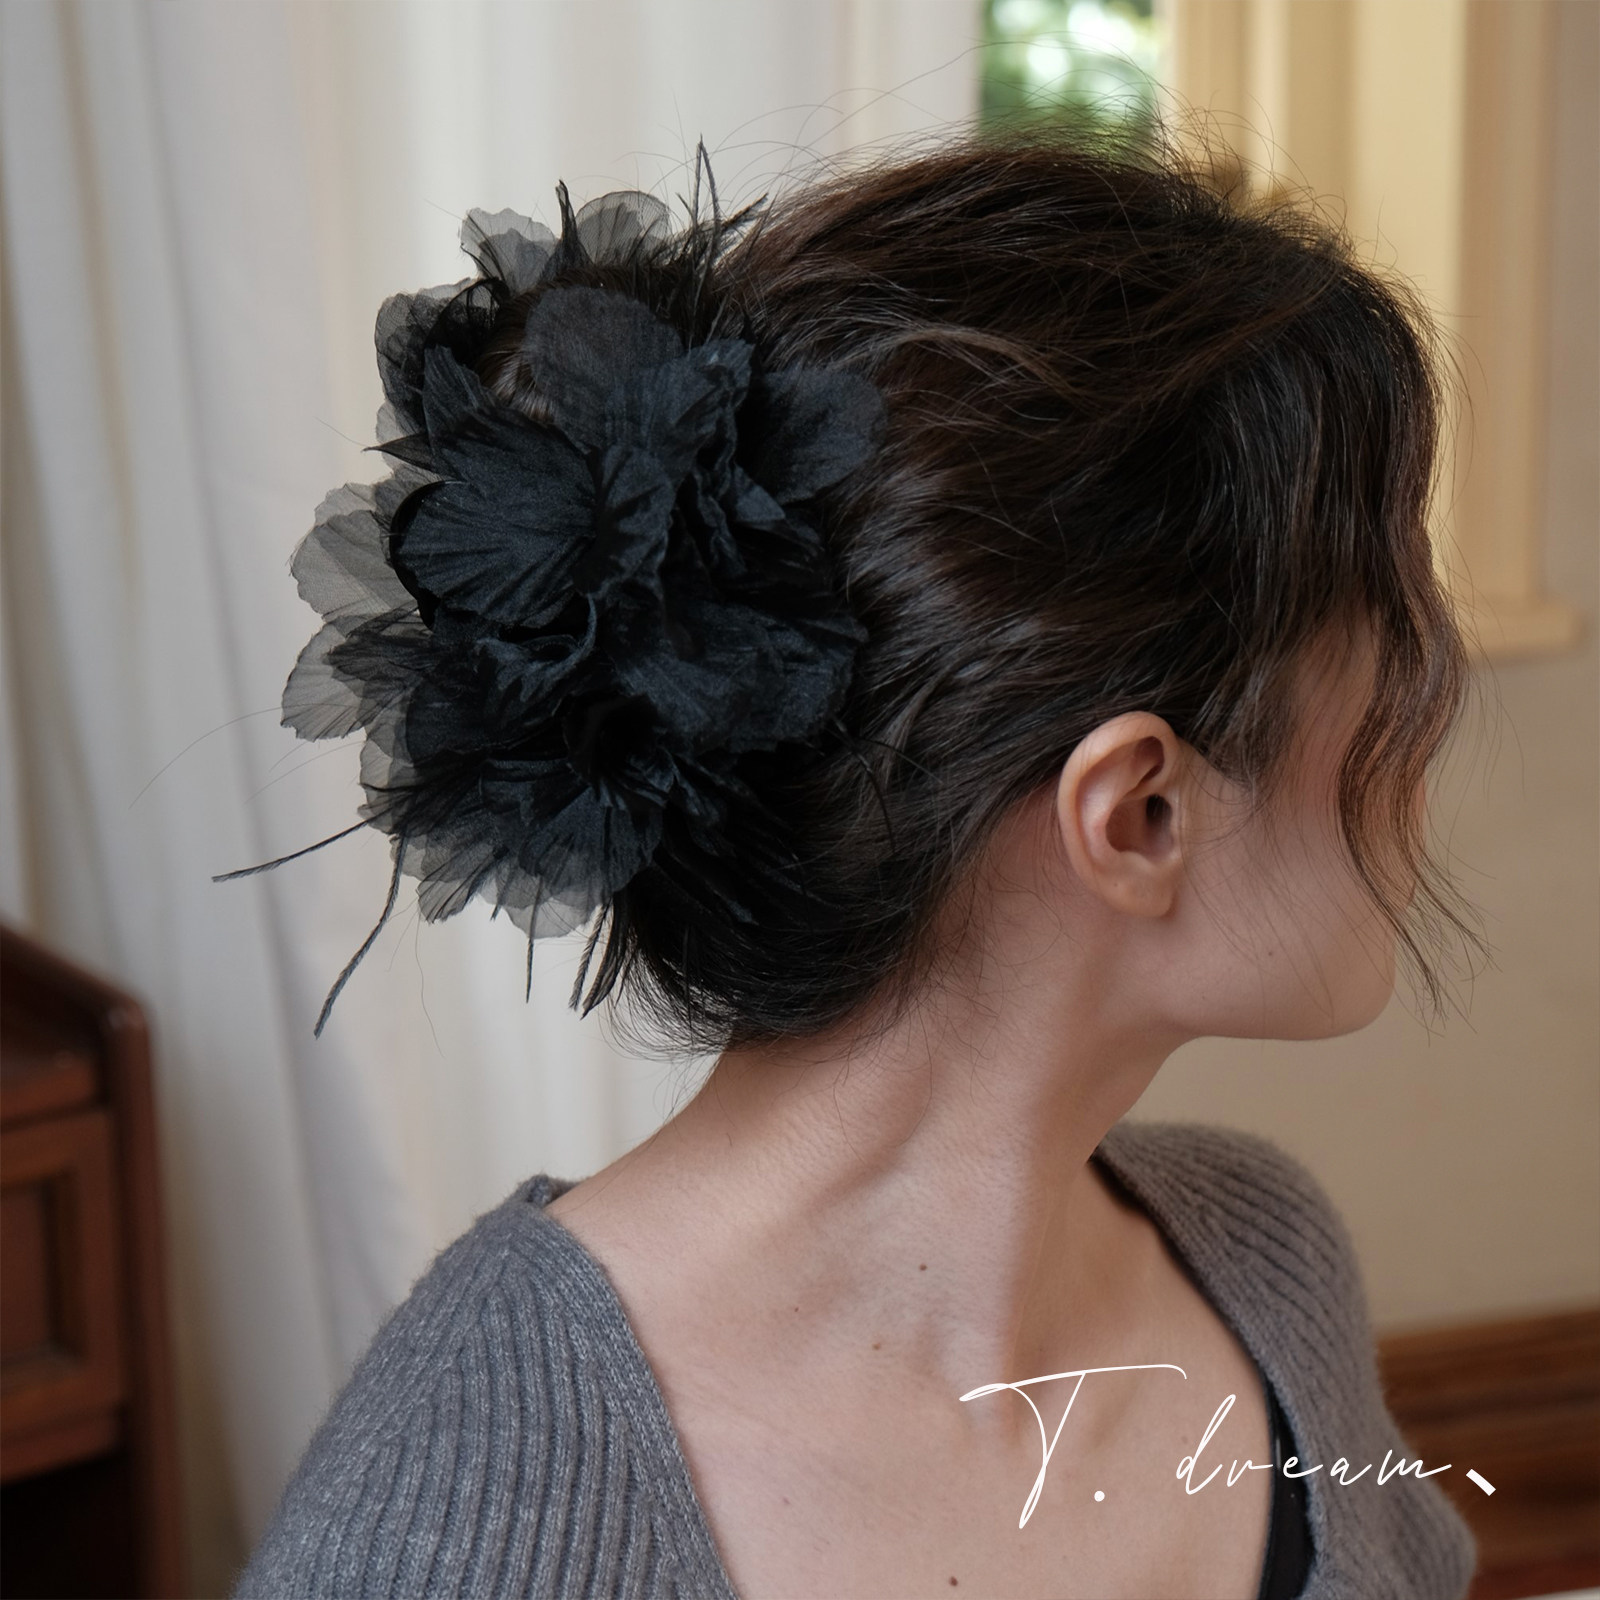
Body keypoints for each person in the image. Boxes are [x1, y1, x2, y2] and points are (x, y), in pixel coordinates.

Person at [233, 132, 1480, 1598]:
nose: (1435, 680)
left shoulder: (1268, 1269)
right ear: (1138, 811)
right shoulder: (452, 1533)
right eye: (1385, 595)